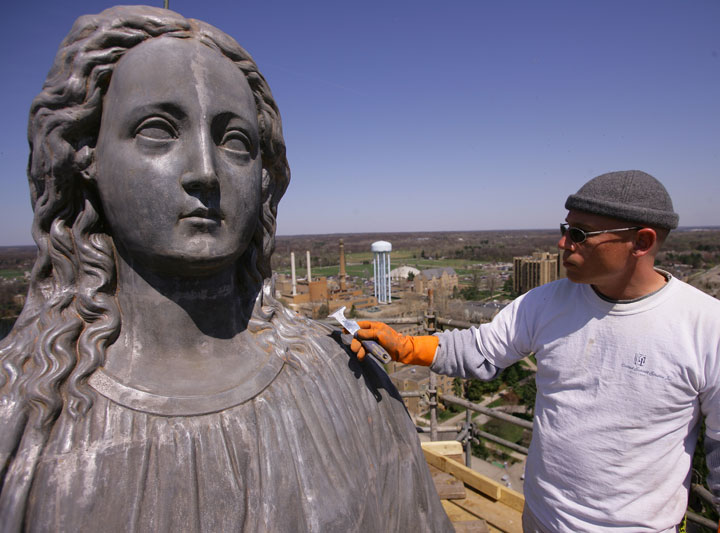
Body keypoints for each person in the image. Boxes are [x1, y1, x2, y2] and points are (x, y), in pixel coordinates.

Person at [0, 6, 452, 532]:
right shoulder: (24, 417)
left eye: (234, 141)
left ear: (264, 176)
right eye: (157, 130)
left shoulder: (348, 383)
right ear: (85, 156)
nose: (205, 173)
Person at [351, 170, 720, 532]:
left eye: (580, 234)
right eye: (565, 230)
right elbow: (480, 351)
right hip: (542, 519)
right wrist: (404, 347)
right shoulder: (546, 303)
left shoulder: (711, 328)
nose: (564, 244)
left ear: (642, 241)